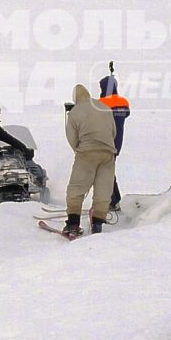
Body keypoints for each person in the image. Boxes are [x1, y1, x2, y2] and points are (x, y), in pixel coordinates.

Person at [61, 84, 119, 236]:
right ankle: (98, 224)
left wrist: (79, 150)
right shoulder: (104, 107)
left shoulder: (75, 111)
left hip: (87, 152)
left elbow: (71, 137)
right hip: (108, 153)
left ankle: (73, 224)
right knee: (103, 189)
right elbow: (113, 131)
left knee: (76, 188)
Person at [97, 71, 130, 211]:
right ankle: (115, 201)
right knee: (108, 171)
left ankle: (114, 202)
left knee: (104, 172)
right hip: (117, 143)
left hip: (104, 143)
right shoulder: (123, 102)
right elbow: (126, 113)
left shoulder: (101, 103)